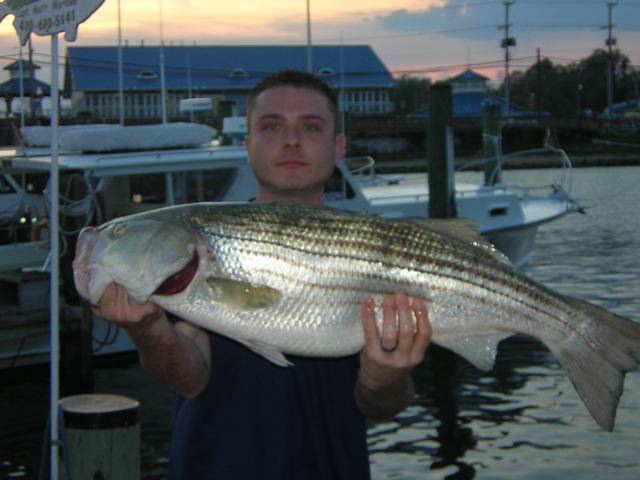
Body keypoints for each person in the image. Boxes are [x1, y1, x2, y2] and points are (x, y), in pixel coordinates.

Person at [92, 69, 431, 479]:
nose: (291, 139)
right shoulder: (196, 251)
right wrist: (148, 329)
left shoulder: (382, 251)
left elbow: (383, 405)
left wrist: (384, 378)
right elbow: (189, 377)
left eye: (311, 126)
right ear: (248, 146)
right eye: (272, 126)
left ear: (338, 146)